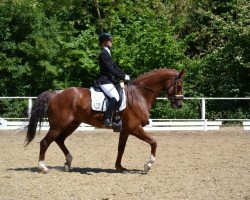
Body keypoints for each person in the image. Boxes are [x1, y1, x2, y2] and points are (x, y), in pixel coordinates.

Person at [97, 32, 130, 127]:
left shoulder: (108, 53)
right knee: (115, 96)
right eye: (110, 40)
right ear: (105, 41)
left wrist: (124, 74)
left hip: (110, 81)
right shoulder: (103, 53)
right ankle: (106, 118)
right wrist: (123, 77)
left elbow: (115, 67)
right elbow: (110, 69)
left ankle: (117, 116)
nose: (112, 41)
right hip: (104, 81)